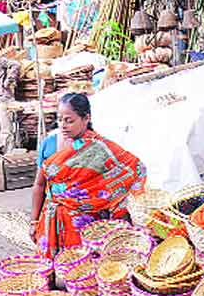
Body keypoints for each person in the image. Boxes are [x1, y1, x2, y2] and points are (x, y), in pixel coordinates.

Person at [29, 93, 146, 258]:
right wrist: (34, 221)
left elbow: (135, 168)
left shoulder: (99, 148)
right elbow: (39, 184)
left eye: (69, 120)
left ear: (86, 118)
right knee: (48, 275)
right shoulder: (49, 144)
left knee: (82, 273)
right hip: (52, 220)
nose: (63, 125)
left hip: (86, 225)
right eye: (59, 119)